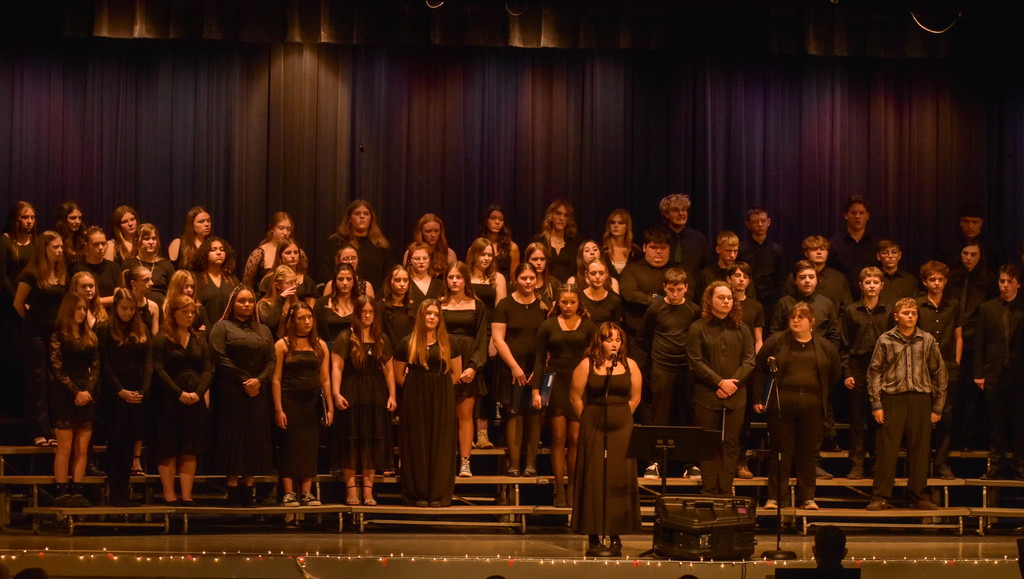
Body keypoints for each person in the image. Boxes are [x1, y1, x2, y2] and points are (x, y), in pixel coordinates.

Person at [754, 302, 841, 510]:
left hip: (812, 404)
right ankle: (775, 497)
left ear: (811, 322)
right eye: (792, 316)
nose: (795, 320)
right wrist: (758, 398)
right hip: (782, 402)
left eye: (801, 317)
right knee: (781, 451)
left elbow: (835, 373)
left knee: (808, 453)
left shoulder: (824, 346)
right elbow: (759, 369)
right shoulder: (777, 341)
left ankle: (807, 497)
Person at [866, 298, 947, 510]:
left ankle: (918, 495)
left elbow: (939, 373)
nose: (910, 316)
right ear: (896, 316)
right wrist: (876, 403)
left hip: (921, 399)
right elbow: (874, 372)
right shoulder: (886, 340)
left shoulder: (927, 340)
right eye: (905, 313)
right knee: (887, 448)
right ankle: (881, 496)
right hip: (892, 398)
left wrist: (938, 406)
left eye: (913, 313)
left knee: (920, 449)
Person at [569, 321, 641, 551]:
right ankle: (593, 533)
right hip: (594, 421)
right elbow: (575, 397)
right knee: (594, 476)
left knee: (618, 476)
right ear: (599, 341)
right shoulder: (586, 364)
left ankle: (615, 532)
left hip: (622, 425)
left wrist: (620, 417)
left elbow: (635, 397)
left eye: (618, 339)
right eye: (609, 339)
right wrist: (589, 419)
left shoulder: (630, 365)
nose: (614, 343)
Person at [209, 286, 276, 507]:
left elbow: (272, 360)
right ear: (232, 304)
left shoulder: (263, 329)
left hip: (257, 393)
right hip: (231, 392)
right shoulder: (222, 327)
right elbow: (219, 357)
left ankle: (249, 488)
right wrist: (245, 380)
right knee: (233, 440)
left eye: (250, 301)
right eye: (241, 301)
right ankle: (233, 490)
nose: (247, 305)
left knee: (254, 440)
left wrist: (259, 381)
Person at [686, 282, 754, 496]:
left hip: (735, 395)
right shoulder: (698, 327)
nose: (726, 301)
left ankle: (725, 492)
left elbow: (750, 360)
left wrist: (731, 383)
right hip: (707, 395)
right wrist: (719, 382)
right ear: (710, 300)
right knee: (708, 444)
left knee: (731, 443)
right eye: (721, 297)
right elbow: (695, 361)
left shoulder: (742, 328)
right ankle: (709, 491)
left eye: (729, 298)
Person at [394, 299, 462, 507]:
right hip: (415, 396)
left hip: (442, 396)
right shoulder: (408, 342)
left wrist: (438, 387)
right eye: (428, 313)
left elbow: (456, 373)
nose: (432, 317)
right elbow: (398, 375)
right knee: (417, 443)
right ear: (421, 316)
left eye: (435, 314)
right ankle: (418, 494)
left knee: (441, 444)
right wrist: (418, 389)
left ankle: (439, 494)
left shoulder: (450, 342)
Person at [533, 286, 596, 506]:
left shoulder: (588, 326)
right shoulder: (548, 325)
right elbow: (540, 360)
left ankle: (574, 490)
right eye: (564, 302)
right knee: (558, 438)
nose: (568, 306)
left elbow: (595, 358)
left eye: (572, 302)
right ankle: (559, 489)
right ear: (557, 303)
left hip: (580, 384)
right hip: (556, 382)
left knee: (576, 439)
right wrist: (536, 390)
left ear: (579, 303)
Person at [331, 297, 396, 506]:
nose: (367, 315)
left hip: (375, 393)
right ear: (357, 314)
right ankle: (351, 491)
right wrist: (336, 393)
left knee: (371, 442)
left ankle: (368, 491)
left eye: (371, 312)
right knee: (352, 441)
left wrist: (392, 395)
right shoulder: (345, 337)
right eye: (363, 312)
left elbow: (388, 369)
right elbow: (337, 368)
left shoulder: (381, 338)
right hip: (352, 392)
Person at [637, 267, 700, 479]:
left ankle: (689, 464)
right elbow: (643, 338)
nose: (674, 294)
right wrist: (658, 356)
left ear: (686, 288)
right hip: (661, 368)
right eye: (671, 289)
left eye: (679, 289)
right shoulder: (655, 309)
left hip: (686, 369)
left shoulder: (694, 310)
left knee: (686, 416)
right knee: (658, 416)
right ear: (664, 287)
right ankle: (654, 462)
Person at [152, 295, 212, 505]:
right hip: (169, 401)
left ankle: (186, 495)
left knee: (190, 448)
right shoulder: (162, 338)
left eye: (192, 312)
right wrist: (178, 393)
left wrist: (198, 392)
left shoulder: (198, 339)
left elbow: (206, 369)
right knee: (168, 448)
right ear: (173, 314)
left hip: (194, 400)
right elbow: (158, 370)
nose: (189, 316)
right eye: (184, 312)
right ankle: (170, 495)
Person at [274, 302, 333, 507]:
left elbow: (325, 379)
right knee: (289, 444)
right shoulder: (282, 344)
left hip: (311, 402)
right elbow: (276, 379)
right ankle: (289, 493)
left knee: (309, 446)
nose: (307, 321)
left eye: (309, 317)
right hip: (290, 399)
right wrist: (278, 408)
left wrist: (330, 407)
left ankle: (307, 492)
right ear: (292, 320)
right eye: (301, 318)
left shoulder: (320, 345)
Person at [96, 288, 151, 506]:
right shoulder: (105, 329)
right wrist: (120, 391)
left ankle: (124, 492)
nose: (127, 313)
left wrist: (144, 390)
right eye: (124, 309)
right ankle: (114, 491)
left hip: (136, 392)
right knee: (116, 443)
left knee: (129, 443)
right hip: (115, 395)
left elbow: (148, 361)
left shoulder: (141, 328)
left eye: (131, 309)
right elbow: (104, 364)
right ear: (116, 308)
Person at [492, 263, 547, 476]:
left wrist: (539, 369)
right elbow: (498, 339)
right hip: (511, 368)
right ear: (516, 280)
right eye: (524, 278)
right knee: (514, 414)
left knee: (535, 414)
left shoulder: (544, 306)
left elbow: (550, 337)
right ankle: (514, 463)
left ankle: (531, 464)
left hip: (537, 367)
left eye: (531, 278)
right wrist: (515, 367)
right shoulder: (505, 305)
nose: (528, 282)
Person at [13, 230, 66, 447]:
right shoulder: (32, 273)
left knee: (55, 380)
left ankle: (53, 429)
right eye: (55, 247)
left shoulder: (62, 272)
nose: (60, 251)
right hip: (34, 333)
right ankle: (38, 430)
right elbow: (18, 304)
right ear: (44, 249)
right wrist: (32, 322)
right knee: (37, 380)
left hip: (56, 334)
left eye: (61, 247)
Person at [839, 267, 892, 479]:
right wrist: (847, 372)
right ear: (861, 286)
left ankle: (878, 463)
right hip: (858, 366)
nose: (871, 286)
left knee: (879, 419)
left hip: (882, 368)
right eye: (867, 282)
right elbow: (844, 344)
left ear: (882, 285)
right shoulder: (851, 311)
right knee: (857, 418)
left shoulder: (889, 311)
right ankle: (857, 464)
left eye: (875, 282)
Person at [48, 293, 100, 507]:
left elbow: (96, 366)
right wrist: (75, 392)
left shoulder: (90, 337)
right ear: (68, 310)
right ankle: (62, 491)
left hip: (86, 393)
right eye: (78, 308)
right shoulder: (58, 336)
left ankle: (77, 490)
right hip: (65, 394)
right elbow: (57, 369)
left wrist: (87, 391)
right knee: (65, 447)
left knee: (82, 448)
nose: (81, 312)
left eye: (84, 309)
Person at [974, 264, 1024, 480]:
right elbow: (980, 343)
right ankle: (996, 465)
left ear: (1018, 284)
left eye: (1009, 282)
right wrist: (979, 373)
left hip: (1020, 375)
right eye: (1002, 281)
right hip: (994, 374)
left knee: (1020, 422)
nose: (1004, 285)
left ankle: (1020, 464)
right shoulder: (987, 308)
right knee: (997, 422)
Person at [440, 262, 489, 478]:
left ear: (465, 280)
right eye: (451, 277)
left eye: (458, 277)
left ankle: (465, 462)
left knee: (465, 415)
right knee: (444, 416)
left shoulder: (477, 305)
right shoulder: (439, 304)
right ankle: (443, 461)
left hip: (468, 363)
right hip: (444, 364)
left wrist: (473, 367)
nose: (454, 281)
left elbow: (482, 340)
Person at [916, 260, 962, 479]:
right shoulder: (917, 304)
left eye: (940, 280)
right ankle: (922, 462)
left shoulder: (953, 304)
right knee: (923, 416)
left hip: (948, 366)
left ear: (945, 281)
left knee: (946, 416)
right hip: (922, 368)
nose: (936, 283)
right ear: (925, 281)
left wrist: (956, 362)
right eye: (932, 279)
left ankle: (941, 462)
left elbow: (958, 335)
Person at [951, 240, 996, 451]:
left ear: (980, 256)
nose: (968, 258)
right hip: (954, 339)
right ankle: (951, 438)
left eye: (973, 254)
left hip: (977, 342)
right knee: (954, 391)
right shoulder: (953, 278)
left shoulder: (989, 281)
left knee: (972, 394)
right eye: (965, 253)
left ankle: (967, 440)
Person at [466, 237, 507, 449]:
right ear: (474, 254)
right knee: (468, 384)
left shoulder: (497, 278)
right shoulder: (464, 275)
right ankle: (466, 433)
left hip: (491, 332)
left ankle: (483, 433)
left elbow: (501, 310)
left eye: (490, 255)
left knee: (487, 385)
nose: (486, 258)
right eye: (483, 254)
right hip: (468, 331)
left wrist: (494, 341)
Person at [728, 261, 765, 479]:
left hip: (747, 366)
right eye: (737, 275)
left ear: (749, 281)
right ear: (729, 278)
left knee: (744, 418)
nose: (741, 279)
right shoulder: (723, 302)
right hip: (725, 364)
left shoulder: (755, 306)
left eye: (745, 276)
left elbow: (758, 340)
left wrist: (755, 365)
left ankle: (741, 461)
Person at [619, 225, 672, 363]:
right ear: (644, 248)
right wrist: (660, 301)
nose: (658, 252)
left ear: (669, 249)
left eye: (663, 248)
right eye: (653, 247)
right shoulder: (632, 269)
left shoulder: (676, 270)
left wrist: (651, 300)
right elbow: (629, 294)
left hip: (670, 340)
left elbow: (687, 298)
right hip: (638, 339)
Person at [324, 200, 394, 290]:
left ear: (371, 218)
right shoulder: (337, 242)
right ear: (349, 218)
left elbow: (388, 276)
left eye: (366, 214)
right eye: (357, 213)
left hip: (374, 299)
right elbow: (329, 272)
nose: (362, 217)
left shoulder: (381, 245)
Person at [738, 207, 785, 319]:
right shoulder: (741, 249)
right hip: (747, 297)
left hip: (770, 300)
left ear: (768, 222)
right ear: (748, 225)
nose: (760, 224)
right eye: (755, 222)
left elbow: (781, 278)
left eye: (763, 221)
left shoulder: (776, 250)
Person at [828, 195, 879, 298]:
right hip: (841, 299)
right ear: (846, 215)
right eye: (853, 213)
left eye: (861, 213)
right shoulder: (833, 244)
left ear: (867, 216)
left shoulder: (877, 245)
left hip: (870, 300)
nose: (857, 216)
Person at [659, 194, 710, 291]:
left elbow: (705, 267)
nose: (681, 213)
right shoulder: (658, 237)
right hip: (662, 291)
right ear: (666, 213)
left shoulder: (698, 238)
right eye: (675, 210)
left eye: (684, 209)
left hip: (693, 293)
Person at [798, 235, 853, 315]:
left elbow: (846, 308)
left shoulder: (838, 278)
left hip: (833, 326)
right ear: (806, 253)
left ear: (827, 252)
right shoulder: (797, 276)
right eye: (814, 249)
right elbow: (789, 303)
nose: (819, 252)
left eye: (823, 249)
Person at [123, 223, 174, 307]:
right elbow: (123, 291)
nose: (151, 242)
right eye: (146, 239)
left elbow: (173, 292)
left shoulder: (166, 265)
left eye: (154, 239)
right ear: (137, 241)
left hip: (162, 308)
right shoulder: (129, 264)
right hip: (135, 307)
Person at [69, 227, 119, 309]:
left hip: (110, 314)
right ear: (87, 245)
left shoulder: (113, 267)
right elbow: (74, 297)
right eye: (96, 244)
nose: (100, 248)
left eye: (103, 244)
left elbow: (117, 298)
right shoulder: (77, 269)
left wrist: (95, 301)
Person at [191, 236, 237, 323]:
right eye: (213, 250)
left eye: (222, 249)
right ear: (205, 254)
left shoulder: (232, 280)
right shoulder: (197, 280)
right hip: (205, 328)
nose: (219, 252)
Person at [693, 230, 750, 301]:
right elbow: (700, 301)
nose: (732, 255)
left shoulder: (743, 274)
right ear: (718, 249)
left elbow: (750, 302)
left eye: (735, 251)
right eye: (728, 251)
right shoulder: (706, 275)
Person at [242, 212, 293, 288]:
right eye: (281, 228)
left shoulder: (297, 252)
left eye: (288, 229)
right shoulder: (259, 253)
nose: (285, 233)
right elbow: (247, 284)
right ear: (272, 228)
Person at [533, 199, 579, 284]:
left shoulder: (573, 242)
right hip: (545, 286)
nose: (562, 218)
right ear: (551, 216)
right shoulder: (539, 240)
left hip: (568, 288)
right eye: (558, 213)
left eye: (566, 215)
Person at [313, 262, 358, 344]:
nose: (344, 283)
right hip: (326, 349)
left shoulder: (360, 304)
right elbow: (314, 331)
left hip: (354, 349)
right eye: (340, 279)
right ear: (335, 281)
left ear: (354, 281)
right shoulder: (321, 303)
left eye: (348, 279)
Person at [403, 214, 457, 278]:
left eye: (436, 231)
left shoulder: (449, 253)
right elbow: (405, 278)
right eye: (428, 231)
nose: (433, 235)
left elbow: (454, 277)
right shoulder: (410, 253)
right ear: (421, 232)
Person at [476, 205, 520, 279]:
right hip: (482, 286)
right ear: (486, 221)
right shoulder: (476, 247)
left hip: (506, 288)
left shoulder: (512, 248)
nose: (497, 222)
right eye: (493, 218)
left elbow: (514, 279)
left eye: (501, 219)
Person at [378, 264, 415, 353]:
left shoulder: (414, 307)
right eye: (398, 280)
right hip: (387, 356)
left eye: (405, 280)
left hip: (410, 355)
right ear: (390, 282)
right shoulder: (380, 307)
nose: (402, 284)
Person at [256, 265, 301, 338]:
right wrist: (281, 299)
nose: (294, 286)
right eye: (289, 283)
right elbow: (270, 324)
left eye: (295, 282)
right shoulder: (264, 304)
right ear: (278, 285)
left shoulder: (296, 303)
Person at [876, 240, 919, 310]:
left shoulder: (909, 280)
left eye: (894, 252)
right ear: (878, 256)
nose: (890, 256)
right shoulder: (874, 280)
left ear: (899, 255)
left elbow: (915, 305)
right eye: (885, 253)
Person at [580, 258, 624, 326]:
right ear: (586, 274)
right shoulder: (579, 298)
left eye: (601, 273)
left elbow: (617, 327)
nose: (597, 277)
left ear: (607, 274)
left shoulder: (615, 299)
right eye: (593, 273)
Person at [164, 270, 209, 334]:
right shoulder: (166, 307)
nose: (190, 290)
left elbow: (206, 330)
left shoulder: (198, 308)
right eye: (186, 286)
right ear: (177, 287)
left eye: (192, 287)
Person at [600, 208, 641, 279]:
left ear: (627, 226)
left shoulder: (635, 251)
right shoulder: (602, 250)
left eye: (621, 223)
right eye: (612, 222)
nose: (615, 226)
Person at [168, 206, 212, 271]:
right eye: (201, 221)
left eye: (208, 221)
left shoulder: (214, 244)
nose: (206, 224)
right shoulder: (179, 243)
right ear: (192, 224)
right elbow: (171, 271)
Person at [123, 264, 161, 337]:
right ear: (133, 283)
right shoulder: (123, 304)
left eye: (151, 279)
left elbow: (155, 336)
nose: (151, 283)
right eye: (146, 280)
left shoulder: (153, 306)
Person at [406, 242, 443, 313]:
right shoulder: (405, 284)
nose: (421, 262)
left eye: (425, 258)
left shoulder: (439, 284)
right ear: (410, 261)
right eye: (417, 259)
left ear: (429, 260)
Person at [523, 242, 560, 309]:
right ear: (527, 260)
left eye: (542, 259)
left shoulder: (554, 284)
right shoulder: (520, 283)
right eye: (535, 259)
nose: (539, 263)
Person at [53, 201, 86, 267]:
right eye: (73, 218)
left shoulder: (82, 239)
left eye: (79, 218)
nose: (77, 221)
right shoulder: (54, 240)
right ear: (63, 219)